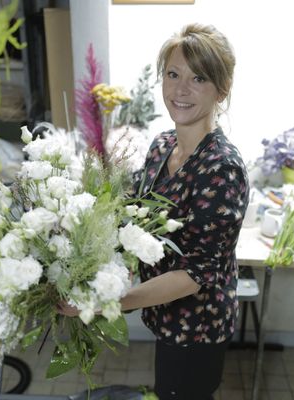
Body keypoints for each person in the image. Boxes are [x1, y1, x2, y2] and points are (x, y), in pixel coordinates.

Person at [61, 23, 248, 400]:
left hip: (197, 328)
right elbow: (135, 215)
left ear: (221, 89)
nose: (181, 89)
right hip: (165, 317)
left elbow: (195, 274)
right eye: (173, 74)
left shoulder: (221, 169)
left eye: (198, 79)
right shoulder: (163, 146)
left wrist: (108, 303)